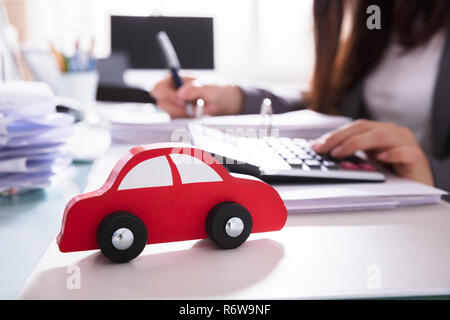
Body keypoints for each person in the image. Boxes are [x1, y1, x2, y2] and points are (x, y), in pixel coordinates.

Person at [151, 0, 450, 197]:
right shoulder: (370, 17)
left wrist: (432, 176)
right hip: (377, 200)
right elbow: (325, 104)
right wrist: (234, 98)